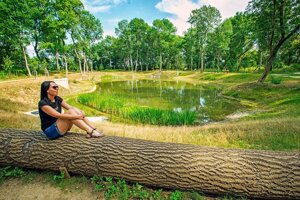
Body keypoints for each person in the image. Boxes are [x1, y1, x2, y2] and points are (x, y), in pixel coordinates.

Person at [38, 81, 104, 139]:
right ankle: (91, 131)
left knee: (72, 110)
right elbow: (58, 115)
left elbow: (70, 107)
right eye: (54, 87)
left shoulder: (57, 99)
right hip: (51, 132)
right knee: (70, 112)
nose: (57, 89)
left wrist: (81, 112)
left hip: (61, 126)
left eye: (57, 87)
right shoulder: (43, 103)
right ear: (47, 90)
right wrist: (77, 116)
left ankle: (92, 129)